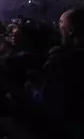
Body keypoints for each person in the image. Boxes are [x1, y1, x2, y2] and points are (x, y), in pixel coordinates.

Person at [34, 9, 84, 137]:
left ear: (71, 30)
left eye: (61, 23)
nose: (58, 27)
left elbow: (48, 104)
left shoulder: (62, 61)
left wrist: (32, 88)